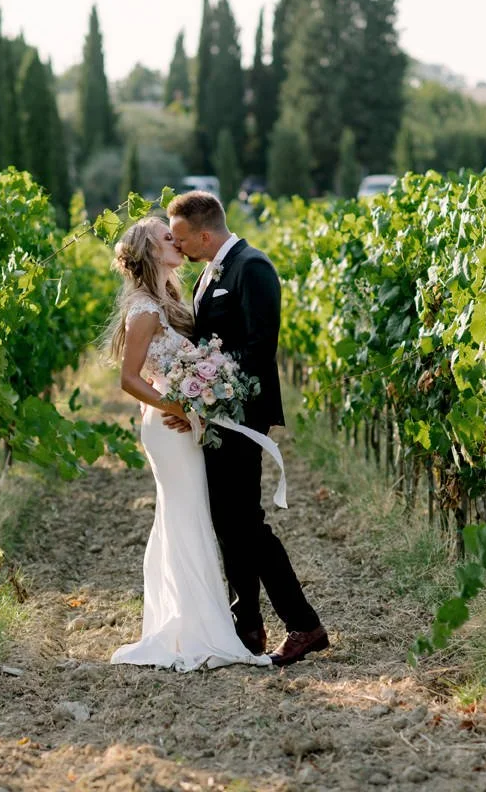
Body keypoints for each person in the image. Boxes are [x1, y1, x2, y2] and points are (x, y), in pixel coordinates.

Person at [166, 191, 328, 666]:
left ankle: (303, 625)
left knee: (245, 524)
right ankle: (247, 626)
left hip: (240, 416)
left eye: (180, 238)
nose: (177, 247)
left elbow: (258, 349)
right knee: (228, 524)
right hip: (217, 415)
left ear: (204, 233)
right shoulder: (210, 271)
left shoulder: (252, 267)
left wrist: (203, 388)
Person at [106, 216, 272, 672]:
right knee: (188, 517)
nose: (175, 242)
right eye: (166, 238)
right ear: (149, 251)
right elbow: (128, 378)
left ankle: (189, 622)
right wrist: (179, 408)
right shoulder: (143, 308)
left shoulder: (170, 300)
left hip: (181, 423)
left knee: (188, 517)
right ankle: (197, 630)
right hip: (169, 428)